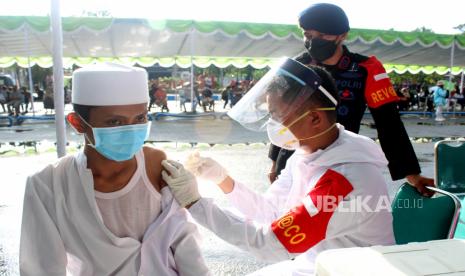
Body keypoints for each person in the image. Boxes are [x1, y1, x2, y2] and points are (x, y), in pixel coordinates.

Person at [162, 59, 394, 275]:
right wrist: (223, 180)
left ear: (315, 119)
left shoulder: (345, 182)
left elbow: (270, 243)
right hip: (317, 264)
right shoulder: (308, 154)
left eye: (277, 115)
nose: (272, 124)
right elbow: (270, 211)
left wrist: (195, 203)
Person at [20, 63, 210, 276]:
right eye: (114, 121)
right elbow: (41, 268)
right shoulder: (48, 185)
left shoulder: (155, 164)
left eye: (139, 118)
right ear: (77, 123)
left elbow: (185, 243)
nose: (130, 129)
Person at [268, 3, 433, 196]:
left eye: (322, 36)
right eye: (308, 35)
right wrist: (273, 163)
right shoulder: (296, 66)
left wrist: (412, 175)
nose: (314, 42)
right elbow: (280, 118)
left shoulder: (367, 68)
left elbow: (389, 124)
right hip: (292, 161)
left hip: (338, 162)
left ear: (342, 35)